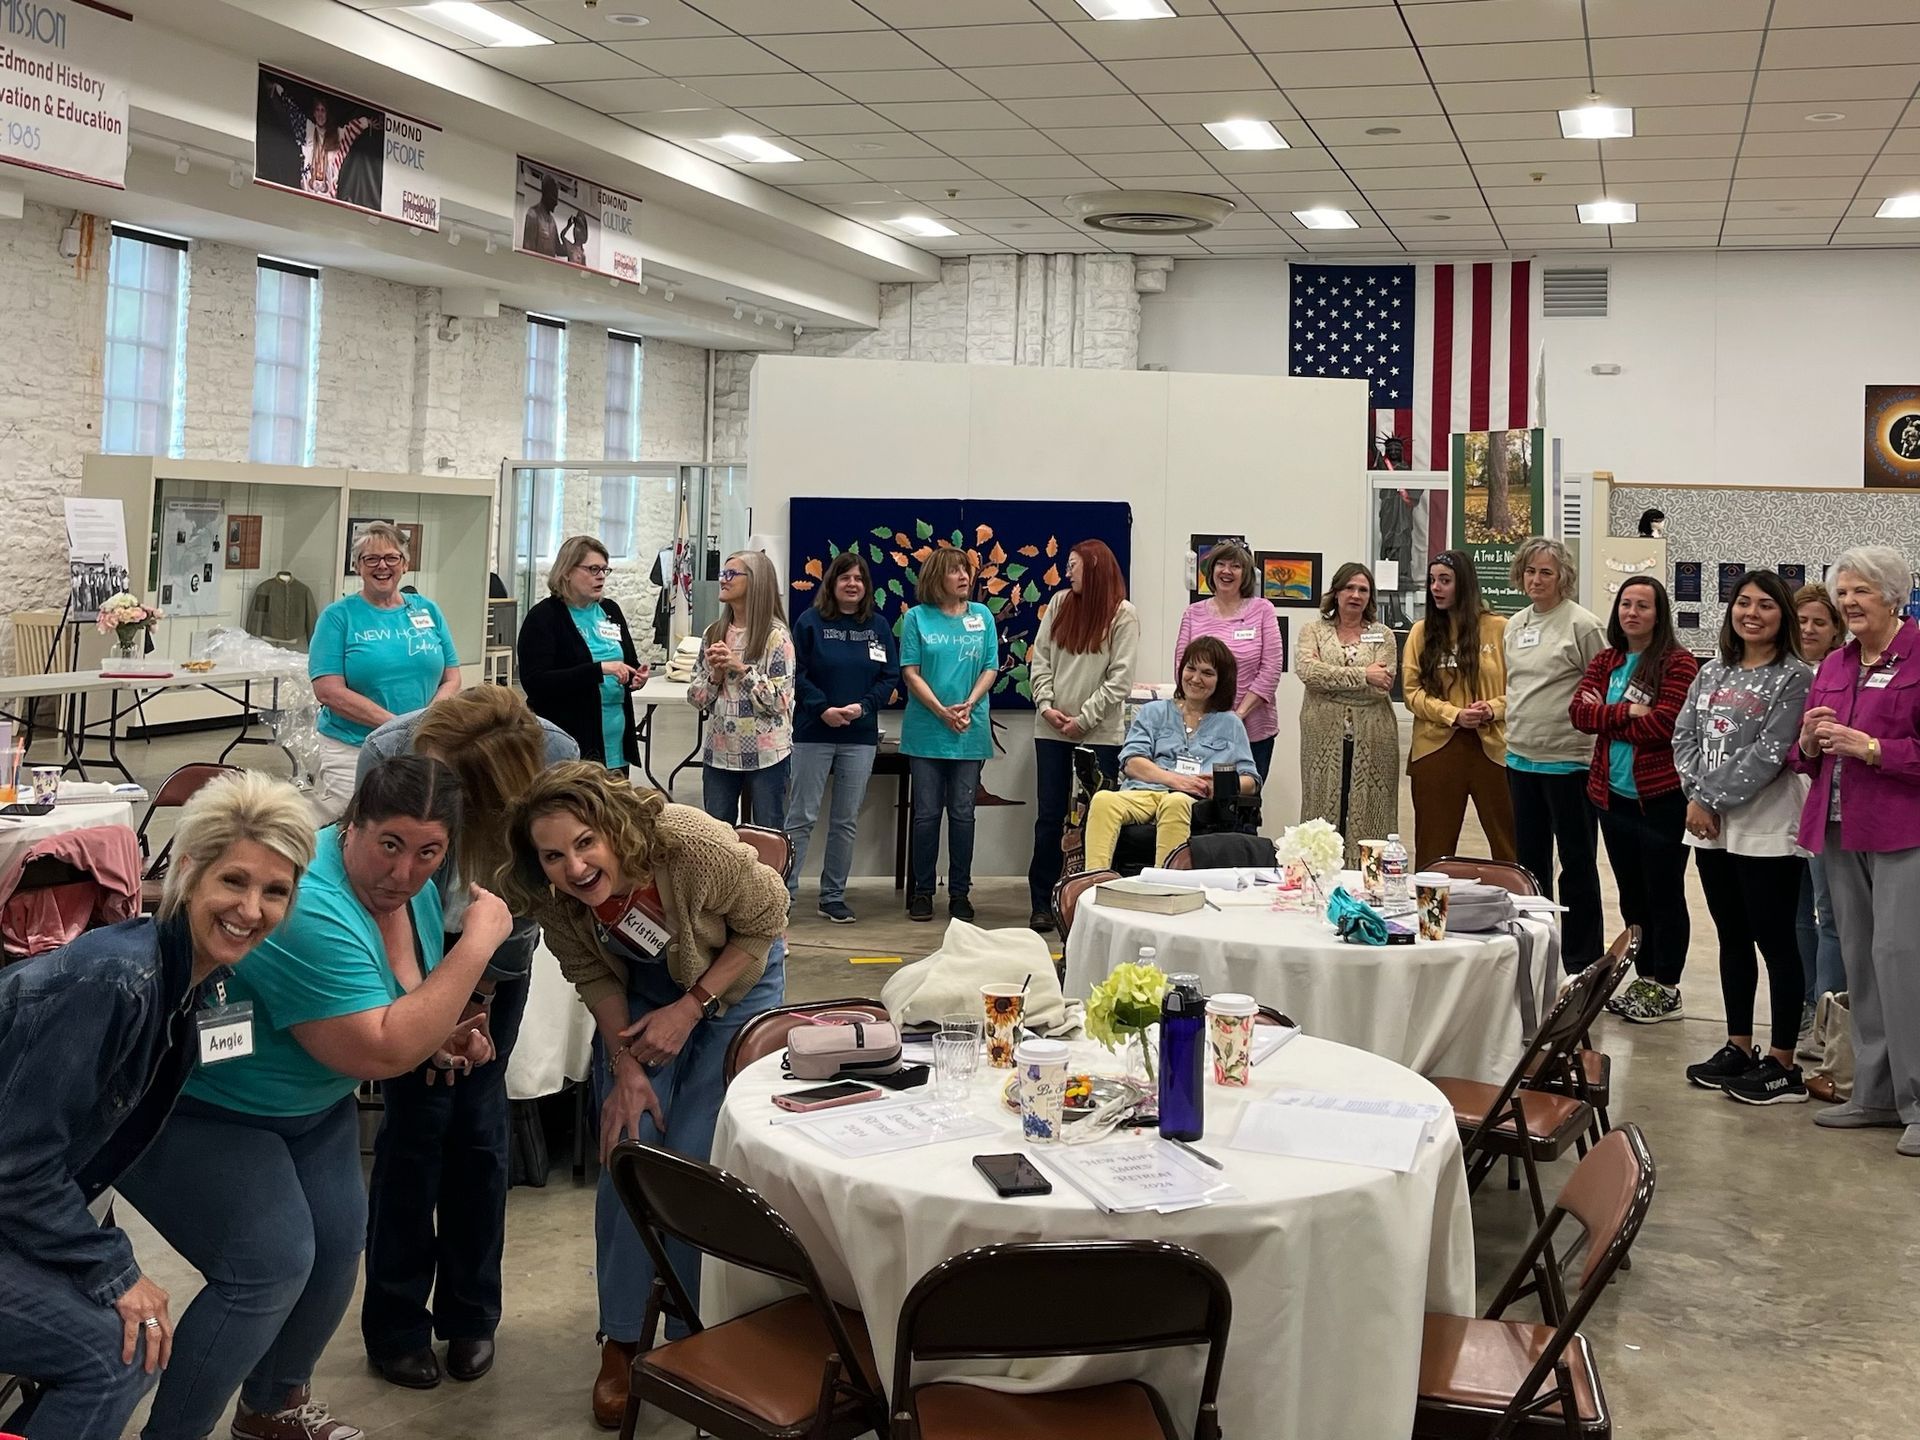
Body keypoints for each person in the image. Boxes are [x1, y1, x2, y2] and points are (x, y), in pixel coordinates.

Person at [116, 757, 513, 1440]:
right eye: (389, 844)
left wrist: (439, 1039)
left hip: (308, 1104)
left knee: (332, 1253)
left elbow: (402, 1004)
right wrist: (478, 944)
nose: (404, 872)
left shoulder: (406, 887)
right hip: (194, 1106)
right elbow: (381, 1049)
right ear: (351, 824)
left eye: (429, 852)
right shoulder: (307, 902)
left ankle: (272, 1410)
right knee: (267, 1266)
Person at [0, 773, 315, 1440]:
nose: (251, 908)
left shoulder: (196, 979)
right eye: (234, 881)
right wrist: (113, 1268)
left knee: (128, 1340)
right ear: (190, 870)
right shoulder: (116, 980)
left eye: (275, 891)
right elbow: (16, 1164)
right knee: (113, 1357)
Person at [499, 764, 789, 1426]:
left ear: (613, 831)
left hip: (736, 983)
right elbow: (591, 973)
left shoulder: (688, 843)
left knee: (692, 1157)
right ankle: (623, 1340)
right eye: (552, 855)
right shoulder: (552, 894)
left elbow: (766, 919)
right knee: (630, 1150)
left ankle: (695, 1336)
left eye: (583, 844)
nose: (572, 867)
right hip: (641, 997)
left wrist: (693, 1007)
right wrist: (624, 1062)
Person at [355, 690, 579, 1389]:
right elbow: (377, 886)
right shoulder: (389, 751)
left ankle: (471, 1315)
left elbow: (532, 894)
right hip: (405, 942)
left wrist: (476, 996)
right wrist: (422, 1001)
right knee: (416, 1127)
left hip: (496, 946)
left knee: (481, 1128)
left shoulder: (556, 755)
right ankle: (394, 1324)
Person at [1791, 546, 1920, 1155]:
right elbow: (1805, 755)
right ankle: (1872, 1093)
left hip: (1903, 830)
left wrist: (1871, 748)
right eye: (1842, 593)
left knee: (1903, 962)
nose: (1847, 603)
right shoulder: (1837, 663)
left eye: (1861, 591)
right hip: (1838, 830)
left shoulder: (1919, 655)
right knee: (1862, 963)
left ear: (1893, 596)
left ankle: (1917, 1102)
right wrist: (1812, 745)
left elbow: (1894, 749)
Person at [1675, 570, 1814, 1104]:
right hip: (1710, 826)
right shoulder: (1711, 670)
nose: (1751, 613)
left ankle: (1782, 1063)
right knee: (1732, 937)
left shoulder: (1794, 677)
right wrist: (1696, 795)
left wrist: (1706, 798)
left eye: (1765, 605)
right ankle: (1738, 1044)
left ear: (1782, 617)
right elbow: (1683, 734)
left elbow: (1772, 753)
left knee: (1775, 940)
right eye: (1743, 603)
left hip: (1765, 826)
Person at [1571, 576, 1699, 1026]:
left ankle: (1667, 985)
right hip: (1611, 798)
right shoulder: (1608, 659)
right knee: (1631, 895)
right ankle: (1644, 978)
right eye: (1626, 604)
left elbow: (1665, 725)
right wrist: (1626, 712)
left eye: (1643, 606)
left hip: (1661, 801)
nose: (1632, 612)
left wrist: (1606, 717)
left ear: (1658, 614)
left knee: (1664, 893)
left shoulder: (1677, 664)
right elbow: (1579, 714)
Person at [309, 521, 461, 821]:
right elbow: (328, 691)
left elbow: (452, 676)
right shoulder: (338, 617)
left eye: (392, 558)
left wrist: (428, 721)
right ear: (357, 566)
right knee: (354, 824)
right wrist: (399, 728)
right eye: (371, 559)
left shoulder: (427, 610)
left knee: (415, 822)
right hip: (353, 748)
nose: (382, 566)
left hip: (421, 746)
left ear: (405, 564)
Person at [1502, 539, 1607, 970]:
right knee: (1530, 865)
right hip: (1520, 759)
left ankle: (1582, 961)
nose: (1536, 579)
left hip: (1569, 762)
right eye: (1530, 571)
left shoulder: (1583, 624)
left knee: (1578, 865)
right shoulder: (1514, 625)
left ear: (1563, 576)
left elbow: (1602, 684)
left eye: (1546, 572)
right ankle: (1537, 951)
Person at [1027, 539, 1138, 930]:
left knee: (1096, 817)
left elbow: (1119, 679)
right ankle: (1042, 900)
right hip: (1052, 730)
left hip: (1101, 734)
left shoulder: (1123, 615)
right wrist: (1046, 706)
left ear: (1093, 568)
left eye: (1073, 565)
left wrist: (1084, 720)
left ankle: (1090, 899)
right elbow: (1039, 660)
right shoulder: (1058, 605)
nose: (1068, 571)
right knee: (1050, 816)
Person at [786, 552, 899, 924]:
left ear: (866, 587)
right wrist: (822, 708)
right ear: (831, 583)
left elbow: (889, 677)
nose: (852, 584)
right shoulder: (809, 623)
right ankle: (782, 895)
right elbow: (795, 672)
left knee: (845, 820)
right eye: (845, 577)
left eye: (859, 579)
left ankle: (832, 896)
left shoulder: (878, 626)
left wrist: (863, 708)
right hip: (813, 732)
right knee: (801, 816)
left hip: (860, 736)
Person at [1085, 637, 1257, 871]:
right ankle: (1094, 881)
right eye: (1191, 668)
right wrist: (1175, 780)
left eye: (1207, 673)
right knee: (1104, 799)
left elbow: (1251, 780)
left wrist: (1221, 784)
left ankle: (1164, 886)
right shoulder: (1153, 712)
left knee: (1175, 801)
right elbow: (1132, 763)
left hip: (1194, 800)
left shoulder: (1230, 723)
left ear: (1221, 680)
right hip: (1145, 792)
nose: (1196, 678)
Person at [899, 547, 999, 922]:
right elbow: (910, 672)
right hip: (927, 730)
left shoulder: (982, 616)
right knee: (925, 814)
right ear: (937, 577)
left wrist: (968, 705)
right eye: (955, 571)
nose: (964, 577)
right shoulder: (917, 619)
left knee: (962, 814)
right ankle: (923, 892)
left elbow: (990, 667)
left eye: (966, 571)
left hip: (968, 729)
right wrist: (941, 711)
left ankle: (960, 892)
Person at [1403, 549, 1515, 870]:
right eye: (1433, 581)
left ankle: (1519, 912)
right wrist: (1453, 714)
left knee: (1510, 845)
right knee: (1432, 850)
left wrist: (1492, 709)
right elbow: (1412, 693)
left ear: (1464, 584)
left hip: (1494, 748)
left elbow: (1520, 689)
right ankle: (1429, 916)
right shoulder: (1421, 632)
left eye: (1445, 581)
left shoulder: (1501, 629)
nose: (1436, 588)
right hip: (1436, 748)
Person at [1295, 562, 1399, 865]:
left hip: (1374, 736)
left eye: (1363, 590)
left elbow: (1382, 686)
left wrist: (1332, 681)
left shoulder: (1383, 635)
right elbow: (1307, 671)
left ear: (1370, 597)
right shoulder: (1312, 630)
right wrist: (1363, 675)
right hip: (1322, 735)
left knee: (1371, 811)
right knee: (1321, 806)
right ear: (1336, 592)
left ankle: (1370, 882)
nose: (1355, 595)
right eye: (1349, 588)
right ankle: (1316, 878)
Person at [519, 534, 649, 770]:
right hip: (570, 741)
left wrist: (635, 676)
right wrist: (598, 670)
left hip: (615, 741)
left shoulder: (610, 611)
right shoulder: (544, 617)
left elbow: (627, 661)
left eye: (604, 570)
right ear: (567, 572)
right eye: (592, 569)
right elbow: (536, 682)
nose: (600, 576)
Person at [688, 550, 794, 832]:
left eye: (732, 574)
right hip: (720, 753)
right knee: (717, 838)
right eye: (723, 574)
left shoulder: (776, 636)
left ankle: (771, 880)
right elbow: (697, 699)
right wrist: (716, 676)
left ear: (756, 582)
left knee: (768, 835)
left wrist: (741, 669)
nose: (723, 580)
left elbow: (780, 701)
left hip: (767, 755)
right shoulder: (713, 633)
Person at [1174, 542, 1283, 780]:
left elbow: (1271, 669)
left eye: (1235, 566)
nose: (1226, 571)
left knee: (1246, 801)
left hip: (1253, 729)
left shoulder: (1263, 610)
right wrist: (1212, 718)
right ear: (1211, 570)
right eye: (1221, 564)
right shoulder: (1193, 613)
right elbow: (1182, 669)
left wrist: (1236, 716)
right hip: (1202, 727)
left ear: (1245, 574)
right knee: (1197, 795)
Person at [1793, 582, 1846, 1034]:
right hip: (1779, 816)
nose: (1808, 629)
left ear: (1836, 630)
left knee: (1827, 914)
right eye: (1802, 620)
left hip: (1824, 810)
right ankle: (1807, 999)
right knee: (1798, 917)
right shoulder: (1779, 668)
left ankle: (1830, 1018)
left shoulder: (1840, 673)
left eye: (1819, 622)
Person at [521, 171, 563, 257]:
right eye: (554, 198)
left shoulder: (552, 221)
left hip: (550, 269)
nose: (556, 203)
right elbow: (528, 251)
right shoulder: (533, 215)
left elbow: (558, 249)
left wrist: (574, 245)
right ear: (546, 194)